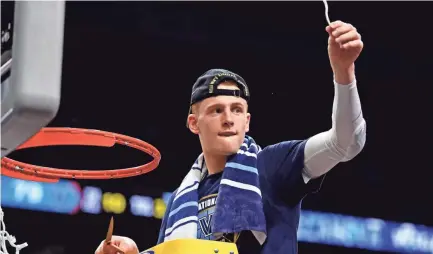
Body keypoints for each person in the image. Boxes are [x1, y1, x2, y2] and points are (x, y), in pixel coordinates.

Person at [95, 20, 366, 254]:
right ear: (193, 123)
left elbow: (345, 142)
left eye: (237, 110)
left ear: (247, 121)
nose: (228, 118)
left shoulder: (270, 165)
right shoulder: (180, 199)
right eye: (216, 110)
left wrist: (344, 72)